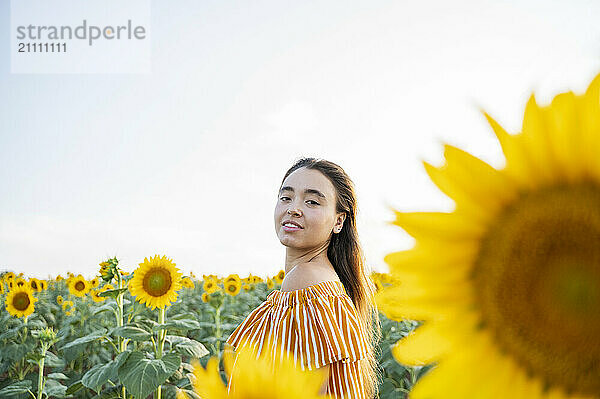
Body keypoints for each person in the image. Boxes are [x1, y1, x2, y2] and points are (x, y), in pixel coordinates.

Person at [224, 157, 382, 399]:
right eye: (286, 197)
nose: (293, 208)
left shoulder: (305, 282)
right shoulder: (325, 282)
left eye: (311, 201)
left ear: (339, 221)